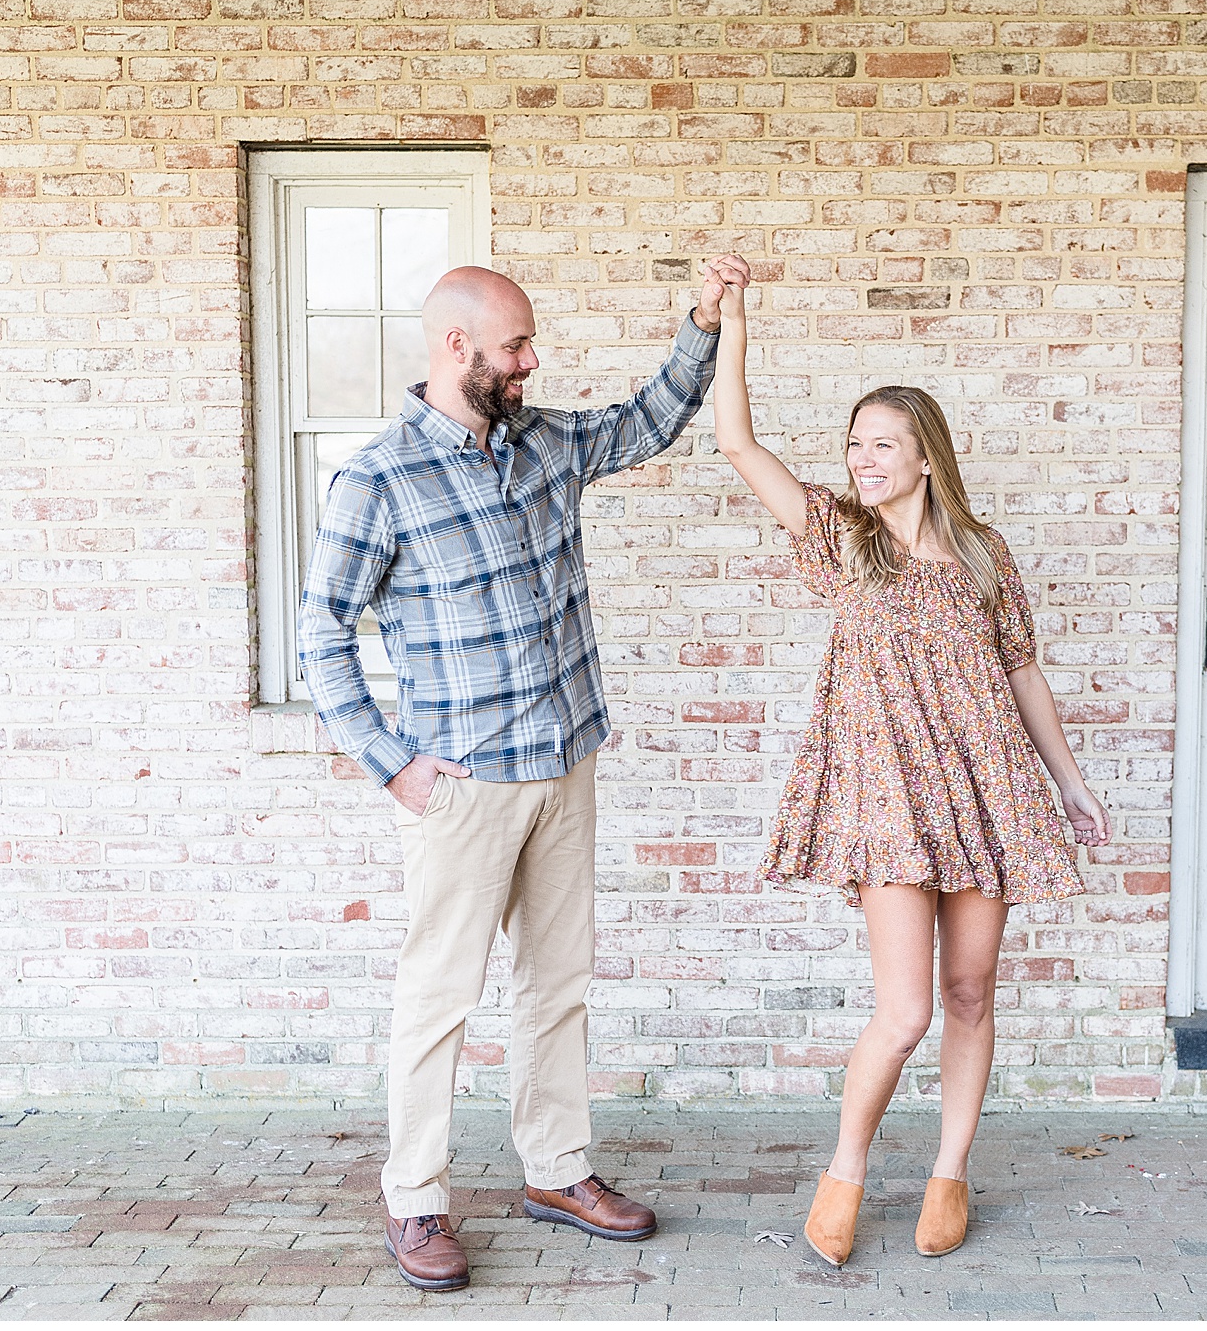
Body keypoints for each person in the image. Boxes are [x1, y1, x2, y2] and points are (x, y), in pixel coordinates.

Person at [298, 257, 751, 1291]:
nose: (531, 361)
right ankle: (414, 1199)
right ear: (456, 350)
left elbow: (647, 420)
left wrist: (701, 319)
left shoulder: (544, 440)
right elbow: (319, 634)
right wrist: (392, 766)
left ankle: (555, 1168)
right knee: (438, 999)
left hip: (565, 760)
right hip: (460, 787)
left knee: (556, 986)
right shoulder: (377, 478)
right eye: (514, 347)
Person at [702, 266, 1110, 1266]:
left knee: (972, 994)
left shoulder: (981, 554)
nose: (863, 458)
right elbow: (735, 444)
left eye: (881, 443)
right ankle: (844, 1169)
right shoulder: (842, 539)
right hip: (889, 799)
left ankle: (947, 1173)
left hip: (987, 791)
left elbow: (1021, 674)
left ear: (926, 457)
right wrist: (736, 325)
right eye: (854, 444)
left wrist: (1071, 782)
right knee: (905, 1010)